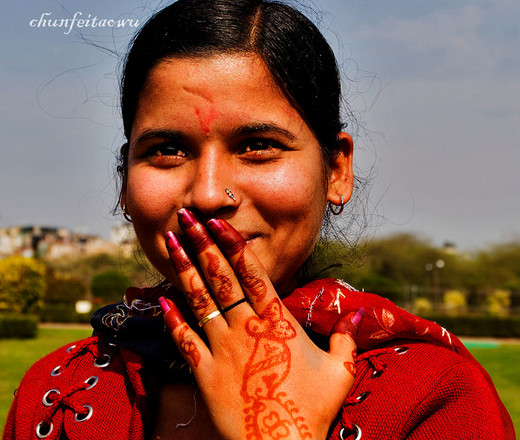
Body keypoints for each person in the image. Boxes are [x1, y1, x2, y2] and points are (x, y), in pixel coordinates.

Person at [3, 0, 515, 439]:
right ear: (123, 182)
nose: (206, 196)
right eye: (166, 150)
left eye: (258, 147)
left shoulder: (433, 398)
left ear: (336, 170)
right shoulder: (57, 394)